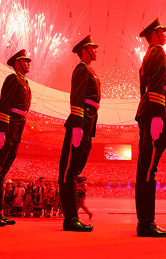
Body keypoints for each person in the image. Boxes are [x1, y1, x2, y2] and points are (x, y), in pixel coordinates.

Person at [135, 18, 166, 237]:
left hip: (149, 111)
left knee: (146, 168)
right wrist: (158, 115)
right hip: (154, 112)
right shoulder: (157, 52)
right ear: (155, 35)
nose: (165, 35)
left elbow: (144, 89)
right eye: (162, 32)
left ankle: (146, 221)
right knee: (148, 169)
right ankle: (146, 223)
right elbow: (157, 84)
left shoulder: (147, 56)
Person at [0, 49, 32, 226]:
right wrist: (2, 130)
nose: (28, 64)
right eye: (25, 61)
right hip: (8, 127)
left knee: (2, 173)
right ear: (17, 63)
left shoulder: (25, 83)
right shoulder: (13, 79)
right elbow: (4, 104)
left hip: (17, 130)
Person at [59, 35, 100, 232]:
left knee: (74, 171)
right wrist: (77, 125)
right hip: (80, 123)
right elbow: (76, 97)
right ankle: (70, 218)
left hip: (87, 123)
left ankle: (72, 217)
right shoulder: (82, 68)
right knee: (68, 172)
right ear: (85, 50)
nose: (96, 50)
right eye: (93, 47)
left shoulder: (89, 70)